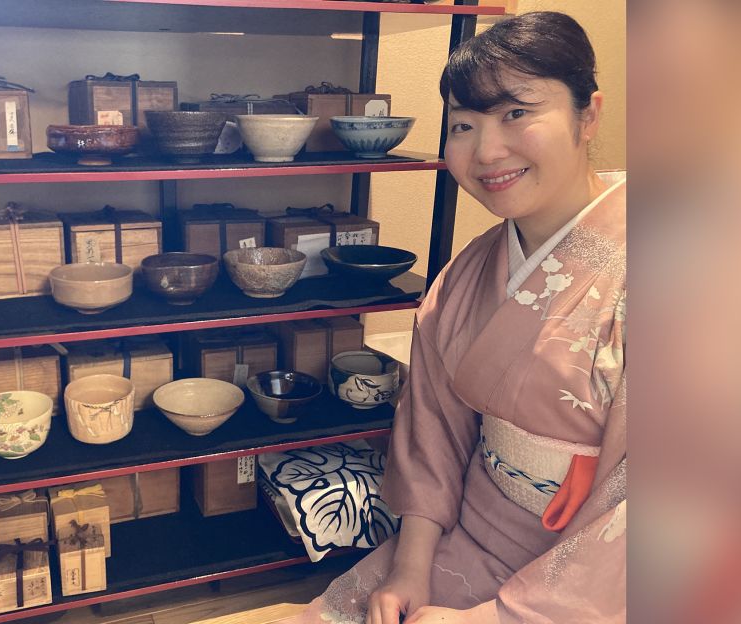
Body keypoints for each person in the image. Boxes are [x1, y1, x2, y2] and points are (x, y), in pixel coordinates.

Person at [287, 12, 626, 624]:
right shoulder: (472, 270)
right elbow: (434, 431)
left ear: (588, 114)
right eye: (463, 125)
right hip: (473, 535)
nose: (488, 150)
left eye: (517, 113)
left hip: (595, 581)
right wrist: (413, 566)